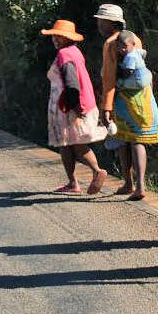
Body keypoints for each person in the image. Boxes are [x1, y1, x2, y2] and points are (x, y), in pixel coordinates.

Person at [40, 19, 108, 195]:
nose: (55, 39)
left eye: (58, 36)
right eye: (54, 36)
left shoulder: (65, 55)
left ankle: (96, 171)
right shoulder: (75, 51)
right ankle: (72, 183)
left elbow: (72, 84)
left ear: (67, 38)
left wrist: (75, 107)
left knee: (75, 143)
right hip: (77, 104)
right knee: (66, 144)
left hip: (73, 106)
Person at [94, 4, 151, 198]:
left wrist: (106, 107)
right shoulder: (134, 38)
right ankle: (136, 185)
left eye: (102, 21)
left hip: (121, 98)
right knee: (135, 139)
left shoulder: (111, 43)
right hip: (141, 97)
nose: (99, 24)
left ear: (111, 23)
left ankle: (132, 184)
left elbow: (109, 78)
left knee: (124, 139)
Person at [111, 30, 158, 200]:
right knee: (129, 141)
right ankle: (131, 184)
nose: (121, 50)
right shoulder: (136, 52)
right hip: (132, 102)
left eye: (124, 47)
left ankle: (139, 185)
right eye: (119, 47)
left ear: (132, 45)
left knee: (136, 141)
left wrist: (115, 74)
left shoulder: (130, 58)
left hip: (137, 99)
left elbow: (127, 73)